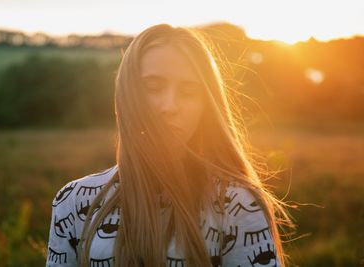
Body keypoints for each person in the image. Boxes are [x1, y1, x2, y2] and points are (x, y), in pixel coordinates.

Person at [46, 23, 294, 267]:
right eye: (153, 87)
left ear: (205, 106)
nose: (170, 106)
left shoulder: (237, 203)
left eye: (188, 91)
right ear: (128, 94)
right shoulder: (74, 201)